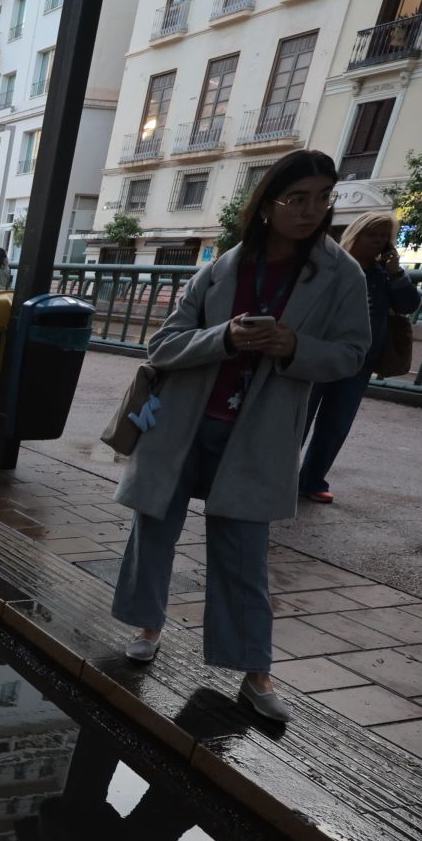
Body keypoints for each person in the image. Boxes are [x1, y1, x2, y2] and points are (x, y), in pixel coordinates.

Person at [110, 149, 369, 726]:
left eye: (321, 198)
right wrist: (224, 338)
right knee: (153, 529)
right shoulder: (224, 266)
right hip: (183, 423)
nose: (310, 211)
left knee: (244, 557)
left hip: (258, 435)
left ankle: (255, 671)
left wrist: (293, 347)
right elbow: (164, 344)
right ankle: (149, 624)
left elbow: (352, 353)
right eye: (295, 199)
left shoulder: (340, 274)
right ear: (267, 205)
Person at [298, 212, 418, 504]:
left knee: (337, 422)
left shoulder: (382, 275)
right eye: (371, 234)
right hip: (319, 354)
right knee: (298, 417)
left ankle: (312, 480)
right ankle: (278, 474)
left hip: (360, 360)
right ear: (356, 233)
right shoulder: (332, 266)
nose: (376, 242)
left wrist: (396, 273)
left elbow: (409, 304)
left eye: (383, 237)